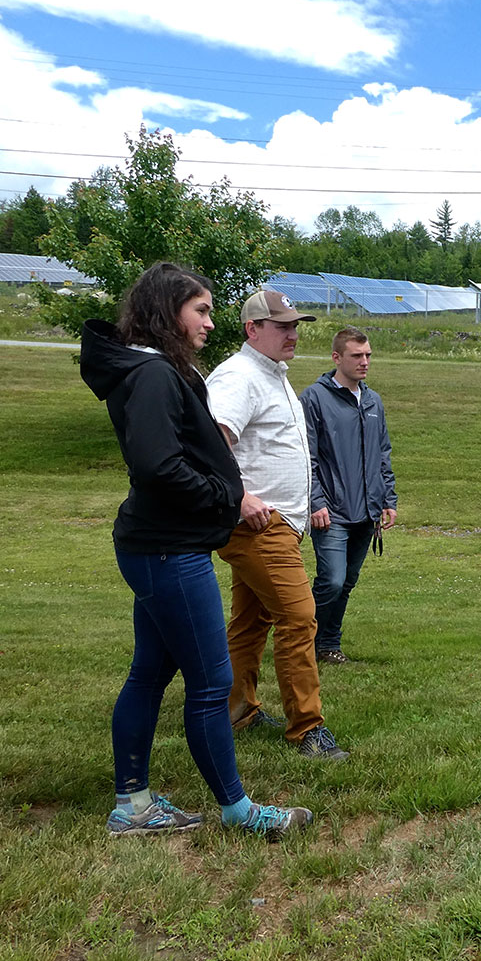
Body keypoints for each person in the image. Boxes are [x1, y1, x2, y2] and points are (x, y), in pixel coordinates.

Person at [79, 263, 312, 838]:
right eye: (201, 310)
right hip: (168, 551)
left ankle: (132, 805)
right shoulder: (155, 376)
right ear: (168, 312)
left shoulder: (155, 370)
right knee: (210, 683)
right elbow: (158, 466)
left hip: (158, 545)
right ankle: (240, 811)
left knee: (149, 675)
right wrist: (226, 494)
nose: (211, 321)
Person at [206, 289, 348, 760]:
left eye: (295, 325)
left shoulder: (271, 374)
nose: (293, 333)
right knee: (299, 616)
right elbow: (212, 444)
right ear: (253, 329)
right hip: (258, 525)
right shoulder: (238, 376)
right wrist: (241, 496)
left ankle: (237, 711)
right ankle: (307, 729)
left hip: (278, 524)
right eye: (282, 326)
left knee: (251, 622)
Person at [299, 326, 398, 665]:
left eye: (368, 355)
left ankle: (329, 644)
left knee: (348, 582)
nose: (365, 362)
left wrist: (388, 499)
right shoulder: (314, 398)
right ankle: (301, 642)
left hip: (367, 511)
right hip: (332, 511)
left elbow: (382, 453)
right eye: (357, 355)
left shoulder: (373, 400)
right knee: (331, 579)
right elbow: (306, 456)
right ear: (336, 357)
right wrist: (315, 503)